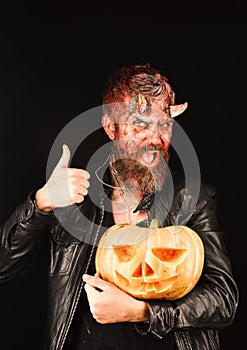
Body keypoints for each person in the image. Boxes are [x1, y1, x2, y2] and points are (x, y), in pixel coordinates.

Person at [0, 63, 239, 349]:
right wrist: (41, 204)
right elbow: (4, 267)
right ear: (110, 127)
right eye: (140, 124)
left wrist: (142, 313)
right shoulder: (74, 199)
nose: (155, 138)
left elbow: (223, 299)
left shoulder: (194, 199)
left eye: (164, 124)